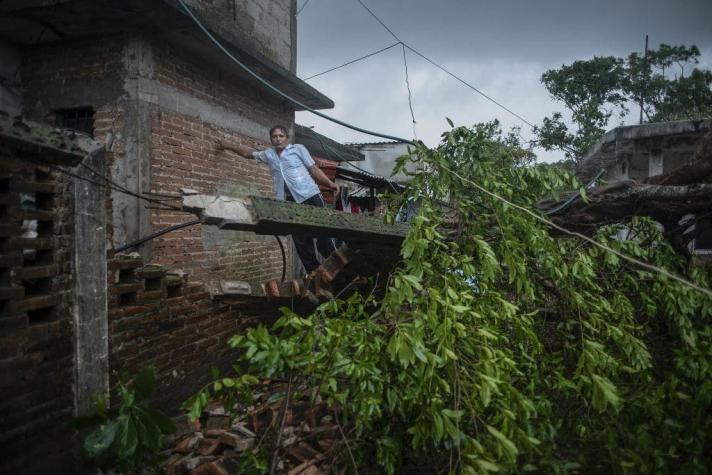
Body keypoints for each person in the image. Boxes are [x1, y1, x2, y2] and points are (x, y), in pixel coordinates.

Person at [216, 125, 339, 274]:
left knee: (322, 234)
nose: (277, 139)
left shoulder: (298, 149)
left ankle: (338, 266)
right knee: (301, 240)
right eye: (274, 137)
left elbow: (314, 170)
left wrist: (330, 184)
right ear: (271, 140)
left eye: (280, 136)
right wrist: (228, 146)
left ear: (286, 138)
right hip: (289, 202)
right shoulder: (268, 154)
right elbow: (248, 153)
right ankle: (315, 273)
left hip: (310, 195)